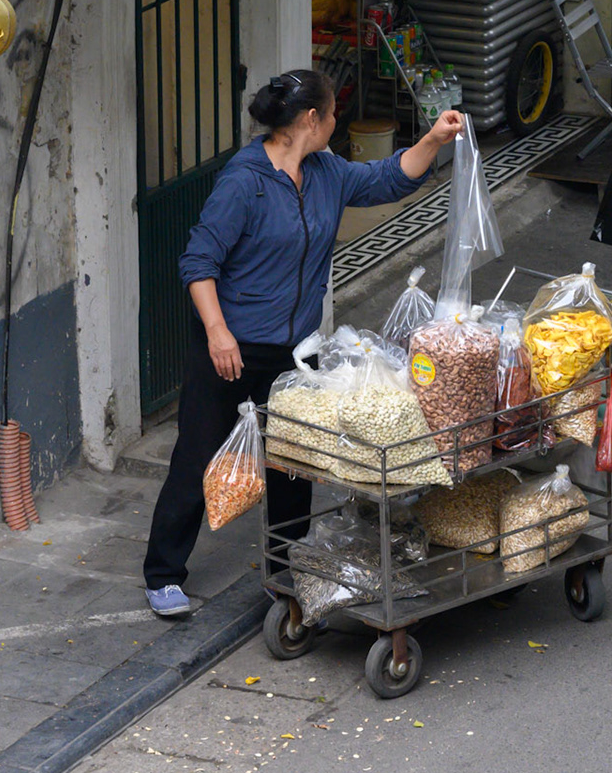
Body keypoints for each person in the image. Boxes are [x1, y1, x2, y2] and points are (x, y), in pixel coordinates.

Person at [142, 72, 465, 617]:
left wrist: (433, 139)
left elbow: (387, 178)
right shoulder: (243, 182)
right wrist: (218, 333)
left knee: (293, 462)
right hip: (231, 348)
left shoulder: (326, 172)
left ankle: (285, 570)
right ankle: (163, 573)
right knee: (201, 458)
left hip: (296, 350)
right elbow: (198, 263)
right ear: (310, 120)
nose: (337, 122)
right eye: (333, 113)